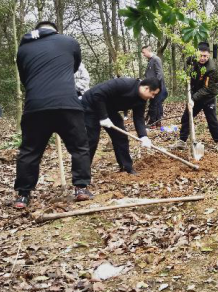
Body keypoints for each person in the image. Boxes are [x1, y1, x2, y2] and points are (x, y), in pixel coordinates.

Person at [15, 21, 93, 209]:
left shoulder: (23, 49)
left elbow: (25, 78)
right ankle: (81, 188)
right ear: (55, 31)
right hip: (67, 104)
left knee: (30, 151)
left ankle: (23, 195)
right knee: (79, 147)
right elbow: (74, 67)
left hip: (36, 106)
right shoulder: (69, 42)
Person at [82, 77, 160, 175]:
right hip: (91, 105)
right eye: (153, 94)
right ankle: (83, 172)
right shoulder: (124, 84)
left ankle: (126, 167)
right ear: (146, 88)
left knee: (121, 136)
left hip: (109, 109)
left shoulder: (141, 100)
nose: (152, 97)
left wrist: (143, 136)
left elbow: (139, 118)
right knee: (92, 139)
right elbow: (97, 94)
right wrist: (103, 117)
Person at [174, 42, 218, 151]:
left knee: (212, 120)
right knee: (186, 117)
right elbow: (187, 63)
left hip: (208, 97)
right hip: (196, 95)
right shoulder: (194, 60)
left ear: (209, 55)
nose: (202, 58)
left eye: (205, 56)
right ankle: (182, 141)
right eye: (200, 55)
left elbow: (207, 88)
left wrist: (193, 99)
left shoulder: (211, 69)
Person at [142, 45, 167, 128]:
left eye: (144, 52)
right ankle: (156, 123)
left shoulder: (156, 59)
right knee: (155, 104)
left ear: (148, 51)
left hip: (157, 87)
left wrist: (155, 86)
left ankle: (153, 123)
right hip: (152, 86)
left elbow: (160, 74)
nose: (143, 54)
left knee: (155, 104)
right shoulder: (150, 60)